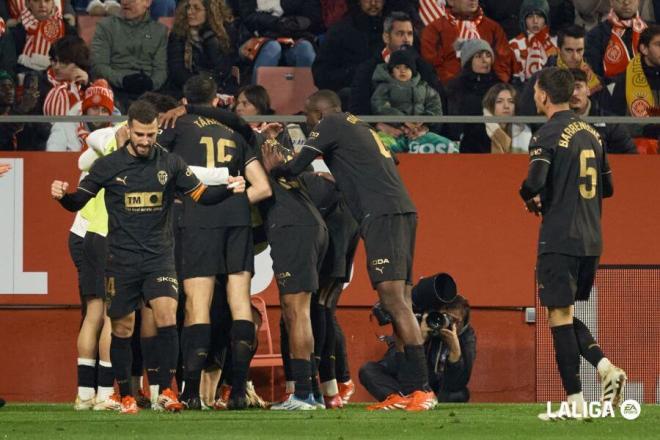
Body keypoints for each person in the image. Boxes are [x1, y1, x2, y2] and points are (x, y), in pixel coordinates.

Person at [50, 100, 246, 414]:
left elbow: (200, 195)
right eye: (140, 134)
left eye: (151, 134)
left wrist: (229, 189)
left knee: (168, 313)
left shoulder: (170, 163)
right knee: (123, 328)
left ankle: (167, 391)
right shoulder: (107, 166)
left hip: (159, 257)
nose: (145, 141)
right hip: (121, 259)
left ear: (157, 131)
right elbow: (78, 201)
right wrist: (63, 196)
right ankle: (125, 395)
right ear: (128, 130)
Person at [271, 90, 437, 412]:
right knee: (400, 300)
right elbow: (388, 162)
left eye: (307, 117)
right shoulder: (361, 127)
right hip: (402, 209)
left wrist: (277, 164)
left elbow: (293, 168)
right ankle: (410, 392)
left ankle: (421, 390)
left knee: (394, 301)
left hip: (380, 215)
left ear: (318, 114)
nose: (307, 124)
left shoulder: (329, 123)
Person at [157, 75, 271, 410]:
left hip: (197, 220)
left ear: (184, 99)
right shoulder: (235, 134)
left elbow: (156, 169)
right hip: (237, 223)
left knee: (197, 304)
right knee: (239, 303)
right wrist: (234, 203)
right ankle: (237, 391)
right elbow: (263, 187)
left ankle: (191, 393)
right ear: (217, 101)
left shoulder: (177, 128)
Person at [519, 67, 626, 421]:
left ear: (544, 95)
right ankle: (604, 370)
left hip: (560, 235)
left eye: (536, 91)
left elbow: (533, 182)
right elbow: (607, 188)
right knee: (562, 315)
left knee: (559, 315)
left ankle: (575, 401)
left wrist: (529, 197)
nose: (535, 96)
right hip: (592, 238)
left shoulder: (547, 133)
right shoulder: (593, 133)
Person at [257, 138, 329, 411]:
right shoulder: (288, 170)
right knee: (301, 312)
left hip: (292, 228)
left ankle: (301, 395)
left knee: (295, 311)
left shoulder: (257, 164)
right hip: (315, 227)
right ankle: (311, 392)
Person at [360, 275, 476, 407]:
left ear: (463, 323)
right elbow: (392, 364)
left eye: (454, 320)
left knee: (458, 394)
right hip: (412, 387)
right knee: (368, 370)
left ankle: (430, 404)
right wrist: (419, 338)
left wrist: (455, 353)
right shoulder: (420, 324)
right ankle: (401, 401)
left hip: (441, 390)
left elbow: (457, 383)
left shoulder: (466, 336)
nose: (445, 322)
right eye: (442, 316)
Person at [349, 11, 444, 117]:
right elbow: (358, 110)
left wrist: (424, 127)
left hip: (418, 130)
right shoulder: (367, 69)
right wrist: (379, 125)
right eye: (400, 34)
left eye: (410, 34)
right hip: (379, 131)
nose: (406, 39)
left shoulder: (424, 68)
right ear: (386, 37)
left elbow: (436, 106)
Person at [91, 0, 168, 111]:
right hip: (113, 89)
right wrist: (123, 80)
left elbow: (161, 70)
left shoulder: (159, 31)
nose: (125, 2)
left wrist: (151, 84)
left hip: (149, 92)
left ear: (147, 2)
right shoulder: (105, 26)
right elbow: (98, 66)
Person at [420, 0, 513, 85]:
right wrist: (453, 86)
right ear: (451, 2)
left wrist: (496, 87)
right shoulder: (434, 30)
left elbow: (503, 61)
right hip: (451, 93)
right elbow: (432, 66)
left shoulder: (493, 27)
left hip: (490, 91)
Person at [519, 24, 605, 116]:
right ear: (559, 50)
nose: (575, 57)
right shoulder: (539, 79)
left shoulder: (596, 83)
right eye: (569, 50)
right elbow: (526, 115)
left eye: (579, 50)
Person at [312, 0, 386, 102]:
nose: (373, 3)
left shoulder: (393, 31)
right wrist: (354, 74)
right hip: (348, 106)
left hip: (384, 103)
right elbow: (321, 76)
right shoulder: (339, 32)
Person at [236, 0, 321, 84]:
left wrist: (295, 23)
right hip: (256, 39)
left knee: (305, 49)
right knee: (272, 48)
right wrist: (277, 23)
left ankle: (307, 95)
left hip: (293, 37)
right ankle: (256, 95)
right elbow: (248, 17)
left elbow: (313, 17)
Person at [167, 0, 238, 97]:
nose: (189, 12)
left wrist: (210, 41)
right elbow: (177, 70)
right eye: (188, 7)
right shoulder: (179, 34)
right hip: (187, 88)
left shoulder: (224, 34)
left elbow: (223, 70)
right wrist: (202, 87)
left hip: (220, 87)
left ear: (210, 11)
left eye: (196, 8)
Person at [609, 24, 660, 152]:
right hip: (635, 154)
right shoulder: (622, 82)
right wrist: (645, 129)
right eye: (658, 45)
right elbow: (612, 124)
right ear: (644, 49)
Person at [445, 39, 501, 153]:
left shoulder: (500, 87)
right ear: (468, 61)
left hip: (494, 145)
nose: (485, 60)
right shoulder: (454, 87)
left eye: (488, 55)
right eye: (478, 56)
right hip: (465, 146)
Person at [567, 68, 637, 154]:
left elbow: (631, 156)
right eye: (569, 88)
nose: (574, 93)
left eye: (578, 87)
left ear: (588, 90)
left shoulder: (611, 124)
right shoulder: (553, 122)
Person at [585, 0, 648, 81]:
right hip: (610, 90)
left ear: (638, 1)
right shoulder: (595, 35)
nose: (626, 2)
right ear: (611, 2)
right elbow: (593, 75)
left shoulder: (650, 31)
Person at [47, 79, 116, 151]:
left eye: (104, 111)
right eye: (95, 108)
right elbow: (52, 156)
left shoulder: (117, 132)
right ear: (86, 110)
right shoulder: (64, 126)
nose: (99, 114)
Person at [370, 48, 443, 117]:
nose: (402, 71)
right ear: (392, 71)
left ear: (413, 71)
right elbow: (379, 105)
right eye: (398, 67)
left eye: (407, 67)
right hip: (393, 127)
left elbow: (434, 104)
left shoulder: (423, 86)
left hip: (420, 127)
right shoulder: (385, 87)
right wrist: (402, 120)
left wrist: (424, 121)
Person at [10, 0, 77, 74]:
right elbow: (10, 65)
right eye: (37, 1)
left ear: (53, 3)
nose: (42, 5)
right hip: (24, 75)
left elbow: (78, 62)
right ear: (28, 4)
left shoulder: (67, 29)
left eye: (47, 0)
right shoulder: (17, 30)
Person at [509, 0, 558, 83]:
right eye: (530, 16)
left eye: (540, 16)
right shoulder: (514, 44)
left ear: (546, 19)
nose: (535, 21)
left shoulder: (555, 43)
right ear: (523, 19)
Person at [482, 83, 532, 154]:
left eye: (511, 101)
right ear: (491, 105)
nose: (506, 106)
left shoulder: (524, 132)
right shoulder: (480, 131)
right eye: (500, 101)